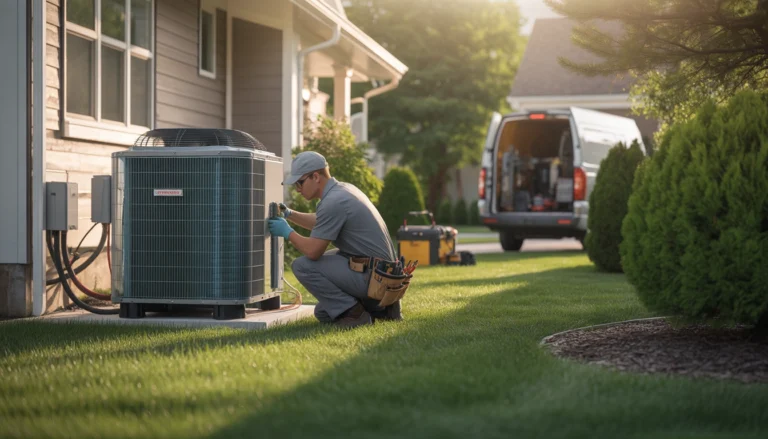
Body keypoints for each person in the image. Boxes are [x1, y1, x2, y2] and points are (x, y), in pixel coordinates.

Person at [267, 151, 402, 329]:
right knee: (323, 311)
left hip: (375, 278)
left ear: (315, 176)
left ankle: (355, 315)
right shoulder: (343, 191)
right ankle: (382, 309)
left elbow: (313, 252)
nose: (297, 189)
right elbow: (322, 221)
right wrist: (290, 214)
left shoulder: (334, 201)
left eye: (299, 182)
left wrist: (287, 232)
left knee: (302, 266)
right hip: (384, 275)